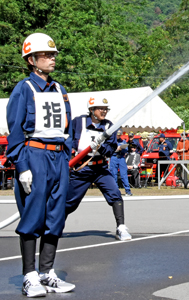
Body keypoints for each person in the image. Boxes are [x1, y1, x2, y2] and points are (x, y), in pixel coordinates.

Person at [6, 33, 75, 297]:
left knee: (56, 216)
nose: (52, 58)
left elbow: (67, 127)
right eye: (47, 55)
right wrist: (22, 165)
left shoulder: (60, 89)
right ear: (32, 60)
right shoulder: (24, 88)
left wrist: (66, 156)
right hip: (35, 155)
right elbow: (14, 131)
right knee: (33, 216)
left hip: (59, 157)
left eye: (53, 54)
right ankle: (30, 276)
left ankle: (47, 272)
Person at [65, 97, 132, 241]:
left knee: (115, 194)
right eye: (101, 108)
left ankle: (121, 227)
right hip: (81, 169)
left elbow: (111, 149)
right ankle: (55, 226)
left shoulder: (109, 126)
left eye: (106, 108)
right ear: (91, 110)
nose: (104, 111)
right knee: (69, 202)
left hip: (100, 168)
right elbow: (67, 140)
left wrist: (100, 147)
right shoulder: (78, 122)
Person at [110, 130, 133, 196]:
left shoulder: (123, 141)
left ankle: (128, 190)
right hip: (114, 157)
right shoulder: (112, 141)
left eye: (119, 135)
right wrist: (116, 149)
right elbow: (109, 149)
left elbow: (126, 149)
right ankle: (115, 190)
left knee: (124, 174)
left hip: (121, 157)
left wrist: (121, 149)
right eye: (117, 135)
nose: (118, 136)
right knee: (114, 174)